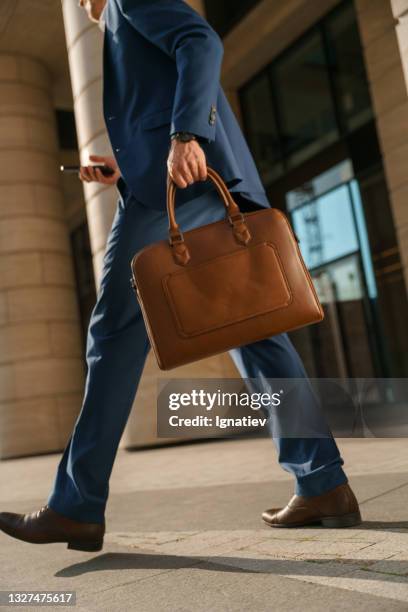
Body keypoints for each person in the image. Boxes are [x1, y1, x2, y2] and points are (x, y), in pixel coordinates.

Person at [0, 0, 361, 552]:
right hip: (178, 182)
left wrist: (185, 134)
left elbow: (201, 42)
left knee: (115, 335)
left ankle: (76, 506)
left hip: (181, 186)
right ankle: (324, 483)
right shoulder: (120, 17)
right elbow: (167, 76)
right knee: (255, 331)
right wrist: (128, 167)